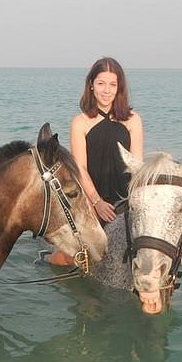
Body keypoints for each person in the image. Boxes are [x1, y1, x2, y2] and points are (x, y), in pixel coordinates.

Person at [47, 57, 143, 266]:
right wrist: (96, 202)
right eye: (101, 84)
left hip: (125, 198)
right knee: (66, 258)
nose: (106, 90)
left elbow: (137, 165)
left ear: (119, 88)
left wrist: (135, 202)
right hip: (91, 199)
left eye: (112, 84)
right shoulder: (80, 123)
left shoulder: (133, 119)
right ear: (91, 85)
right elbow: (79, 167)